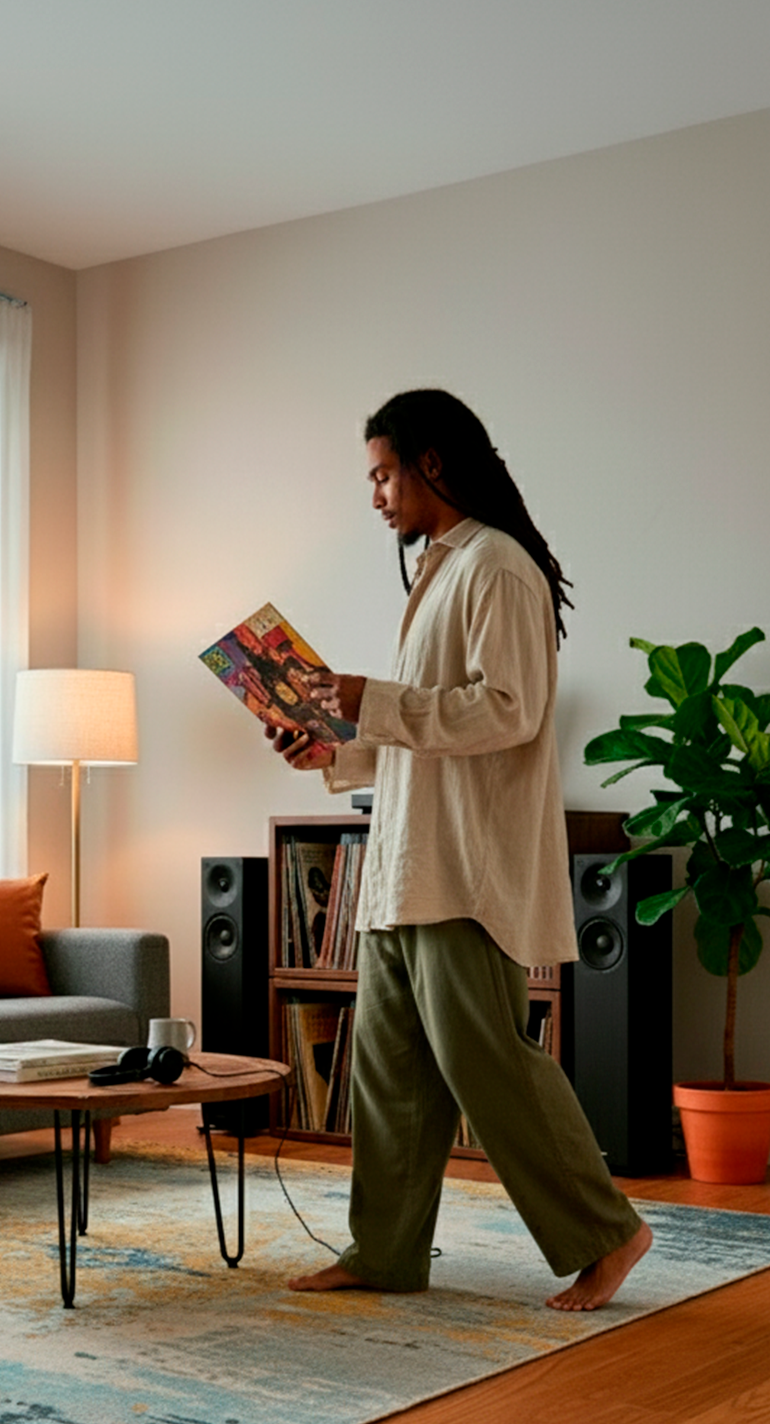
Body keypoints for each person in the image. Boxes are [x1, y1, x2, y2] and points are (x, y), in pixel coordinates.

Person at [269, 388, 651, 1311]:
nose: (377, 499)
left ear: (431, 462)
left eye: (383, 474)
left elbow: (508, 711)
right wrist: (332, 742)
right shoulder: (444, 568)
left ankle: (610, 1230)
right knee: (389, 1069)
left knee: (484, 1058)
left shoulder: (497, 566)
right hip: (407, 862)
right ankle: (385, 1250)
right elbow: (425, 726)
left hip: (463, 868)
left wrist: (370, 698)